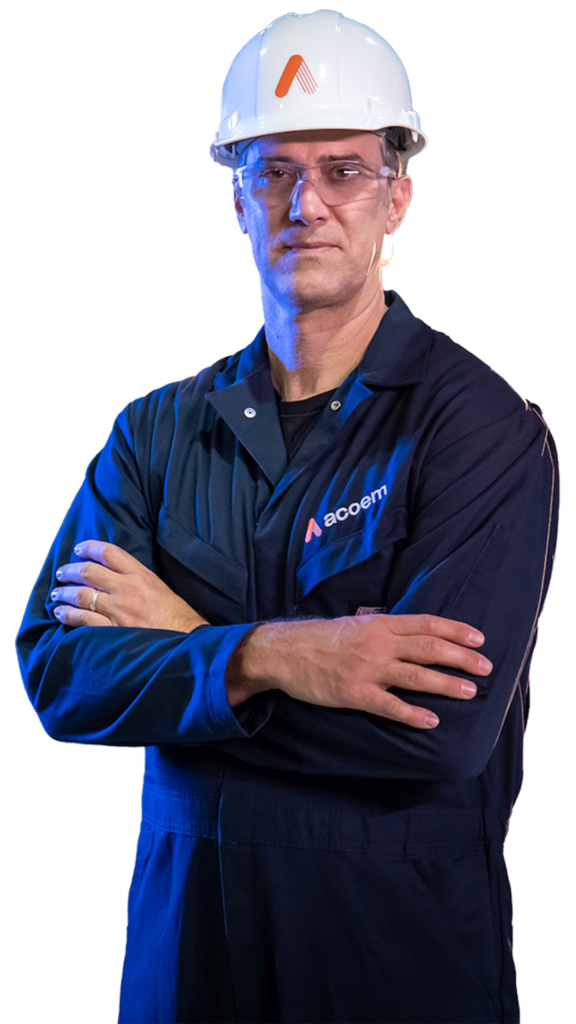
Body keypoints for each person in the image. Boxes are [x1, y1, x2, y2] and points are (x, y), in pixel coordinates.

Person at [15, 10, 560, 1024]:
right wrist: (280, 656)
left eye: (343, 171)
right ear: (237, 199)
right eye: (273, 173)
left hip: (392, 962)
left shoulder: (480, 430)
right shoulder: (156, 431)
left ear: (396, 195)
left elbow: (438, 735)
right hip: (184, 963)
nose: (306, 204)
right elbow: (58, 674)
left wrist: (187, 642)